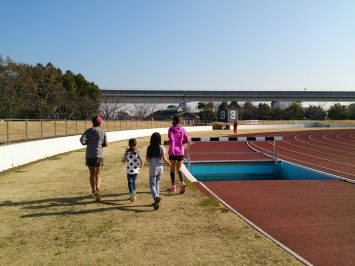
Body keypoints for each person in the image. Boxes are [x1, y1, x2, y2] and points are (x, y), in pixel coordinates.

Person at [80, 115, 107, 201]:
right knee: (98, 174)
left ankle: (93, 190)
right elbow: (105, 144)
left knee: (92, 174)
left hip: (89, 155)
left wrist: (88, 142)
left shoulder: (88, 131)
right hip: (99, 155)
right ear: (100, 123)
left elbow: (82, 141)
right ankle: (97, 190)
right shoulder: (102, 132)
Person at [146, 132, 170, 210]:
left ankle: (156, 197)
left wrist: (151, 160)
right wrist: (169, 163)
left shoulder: (149, 147)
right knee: (157, 183)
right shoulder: (162, 147)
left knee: (152, 184)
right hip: (160, 168)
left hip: (153, 169)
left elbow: (147, 159)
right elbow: (164, 158)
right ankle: (157, 200)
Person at [166, 115, 189, 194]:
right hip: (180, 151)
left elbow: (171, 140)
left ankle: (173, 186)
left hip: (172, 151)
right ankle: (182, 183)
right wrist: (180, 143)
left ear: (173, 120)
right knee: (179, 169)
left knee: (172, 169)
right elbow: (187, 140)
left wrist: (167, 142)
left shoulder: (171, 129)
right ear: (180, 121)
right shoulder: (183, 129)